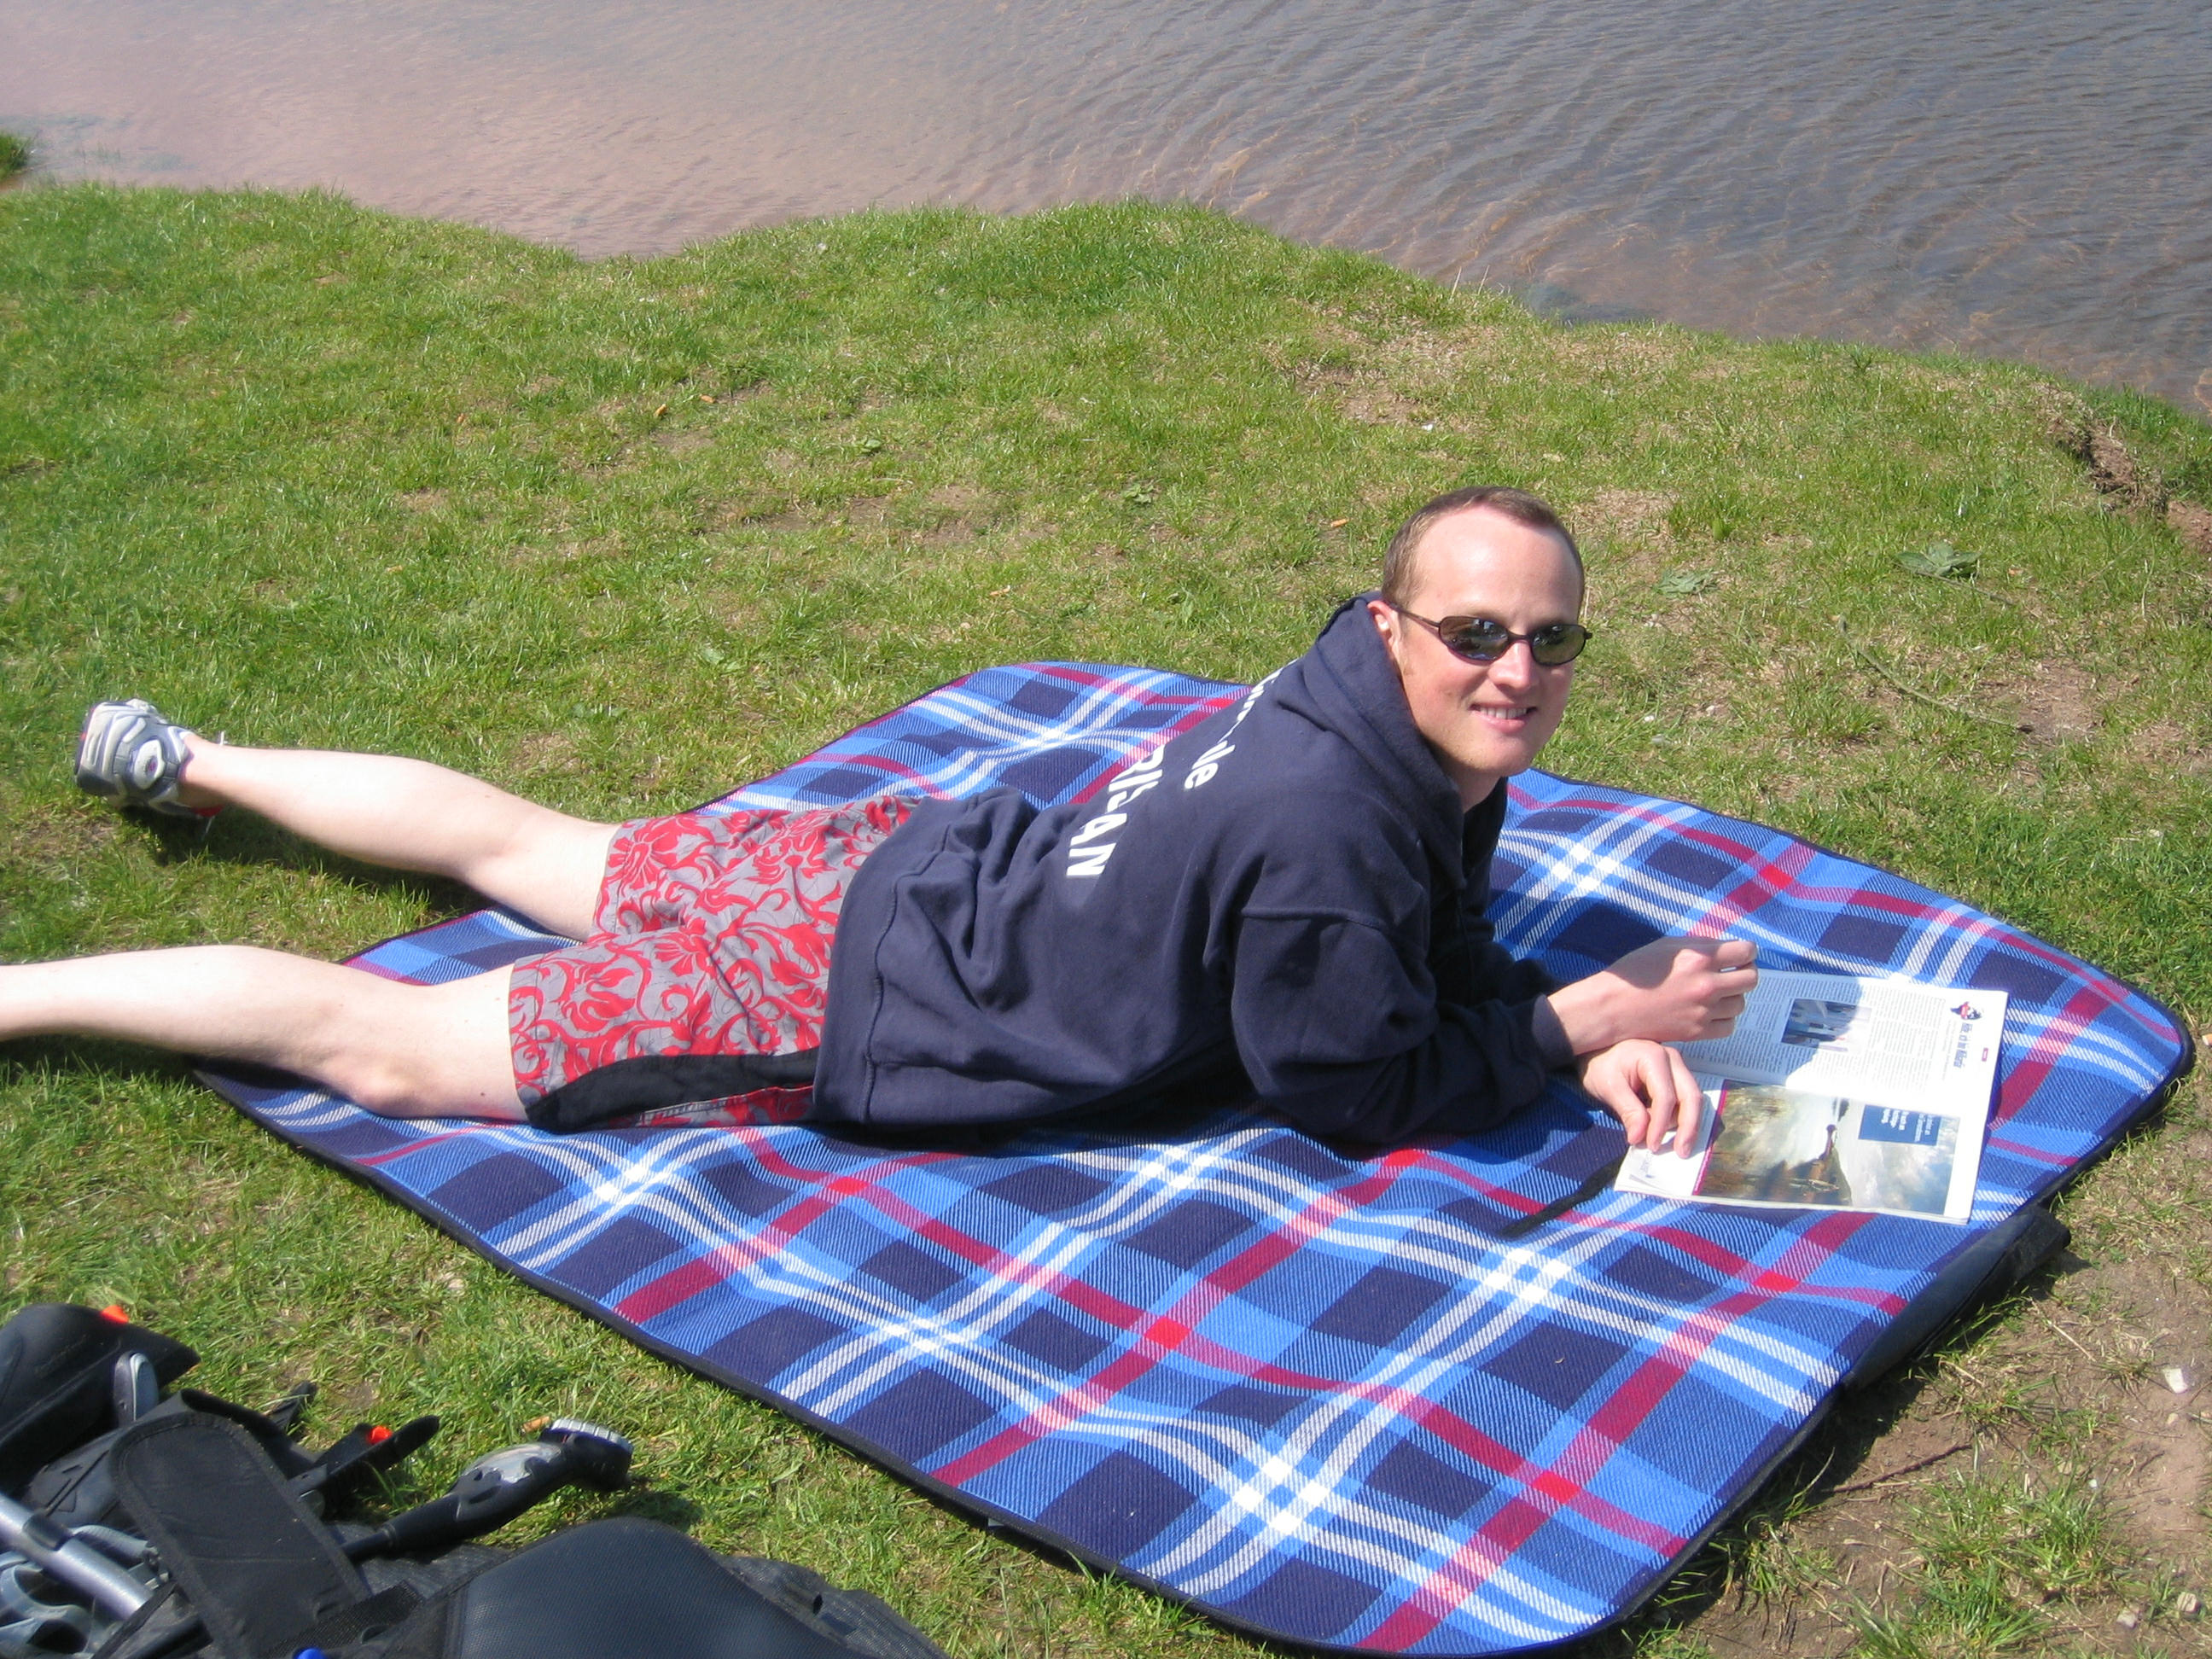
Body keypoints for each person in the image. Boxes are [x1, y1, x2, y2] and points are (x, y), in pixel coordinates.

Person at [3, 486, 1753, 1151]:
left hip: (902, 862)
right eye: (1477, 632)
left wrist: (1564, 1019)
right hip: (848, 991)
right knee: (385, 1048)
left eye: (1551, 639)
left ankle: (184, 757)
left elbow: (1418, 930)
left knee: (541, 851)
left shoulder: (1352, 703)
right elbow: (1349, 1087)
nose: (1517, 670)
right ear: (1392, 626)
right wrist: (1568, 1024)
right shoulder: (1331, 829)